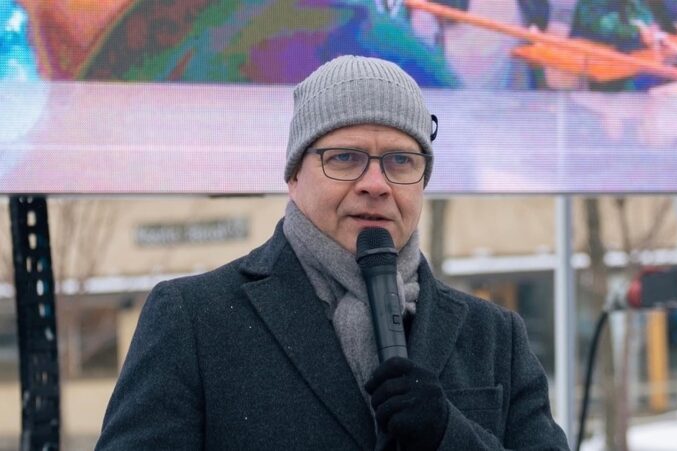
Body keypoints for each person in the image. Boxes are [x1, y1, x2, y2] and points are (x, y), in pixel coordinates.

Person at [96, 55, 568, 450]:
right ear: (294, 174)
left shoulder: (493, 336)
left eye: (401, 161)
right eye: (345, 157)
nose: (375, 184)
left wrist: (450, 435)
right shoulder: (194, 319)